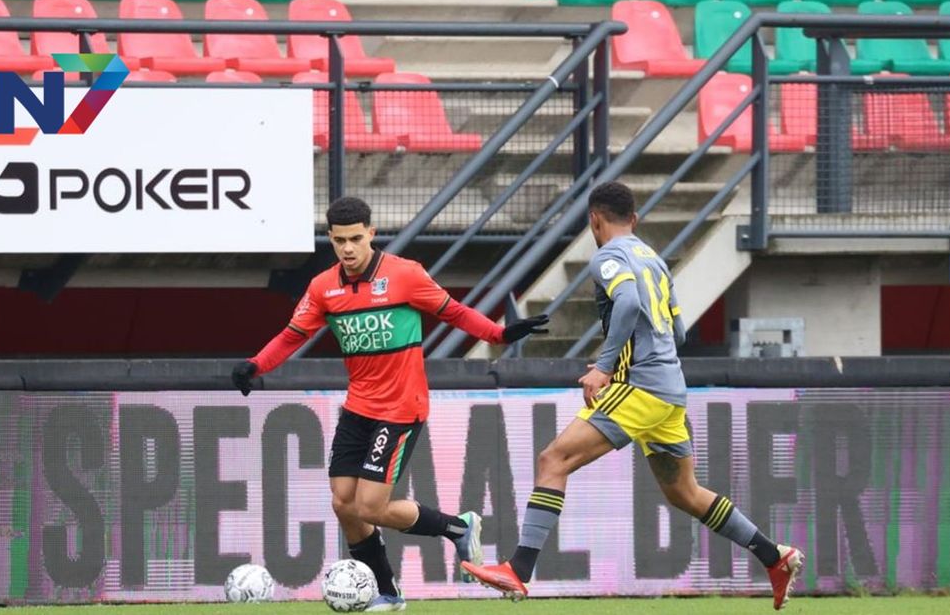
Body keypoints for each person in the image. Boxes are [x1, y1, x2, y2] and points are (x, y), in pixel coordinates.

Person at [462, 181, 804, 610]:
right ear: (635, 220)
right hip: (668, 388)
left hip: (640, 386)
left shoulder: (608, 257)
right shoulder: (655, 260)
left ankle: (518, 569)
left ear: (594, 220)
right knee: (685, 493)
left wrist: (606, 366)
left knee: (554, 460)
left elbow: (626, 304)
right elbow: (678, 330)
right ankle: (775, 557)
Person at [231, 197, 548, 612]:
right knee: (344, 503)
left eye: (356, 239)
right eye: (339, 240)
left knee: (369, 506)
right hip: (359, 406)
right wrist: (256, 364)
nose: (348, 248)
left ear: (372, 234)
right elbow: (292, 336)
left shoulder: (405, 275)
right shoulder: (323, 287)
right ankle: (388, 592)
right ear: (330, 238)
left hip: (401, 408)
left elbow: (454, 312)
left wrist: (500, 336)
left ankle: (457, 527)